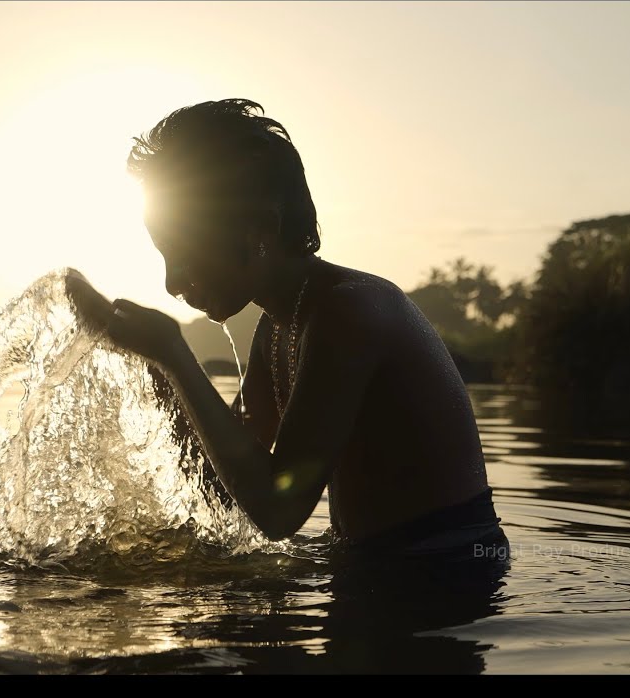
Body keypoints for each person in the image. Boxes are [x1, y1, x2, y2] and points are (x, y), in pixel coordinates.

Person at [66, 99, 508, 564]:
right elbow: (227, 490)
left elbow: (278, 511)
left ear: (260, 229)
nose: (172, 281)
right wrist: (160, 372)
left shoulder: (349, 311)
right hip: (375, 567)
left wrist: (175, 354)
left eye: (183, 251)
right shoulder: (278, 326)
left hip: (449, 573)